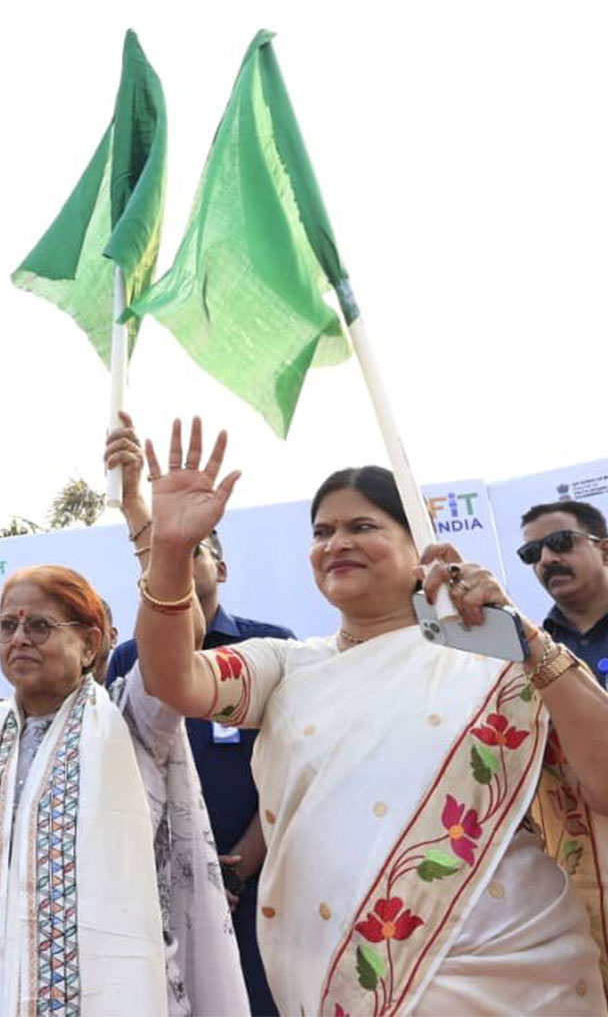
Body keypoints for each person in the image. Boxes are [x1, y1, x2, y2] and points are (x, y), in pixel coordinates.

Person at [135, 417, 608, 1014]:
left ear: (421, 548)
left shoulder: (502, 658)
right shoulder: (288, 666)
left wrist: (523, 639)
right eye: (322, 531)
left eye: (362, 526)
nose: (336, 543)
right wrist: (172, 551)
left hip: (518, 973)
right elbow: (171, 677)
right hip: (345, 981)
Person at [0, 534, 245, 1016]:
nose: (19, 638)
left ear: (89, 644)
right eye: (7, 626)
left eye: (40, 626)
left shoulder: (132, 719)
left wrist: (151, 530)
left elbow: (182, 635)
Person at [103, 414, 291, 1014]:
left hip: (262, 883)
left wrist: (239, 868)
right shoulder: (131, 660)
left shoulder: (269, 649)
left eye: (193, 547)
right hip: (162, 883)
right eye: (166, 548)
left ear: (223, 567)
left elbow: (289, 773)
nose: (178, 556)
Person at [518, 500, 608, 685]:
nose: (546, 559)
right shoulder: (533, 653)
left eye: (560, 542)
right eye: (532, 552)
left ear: (605, 552)